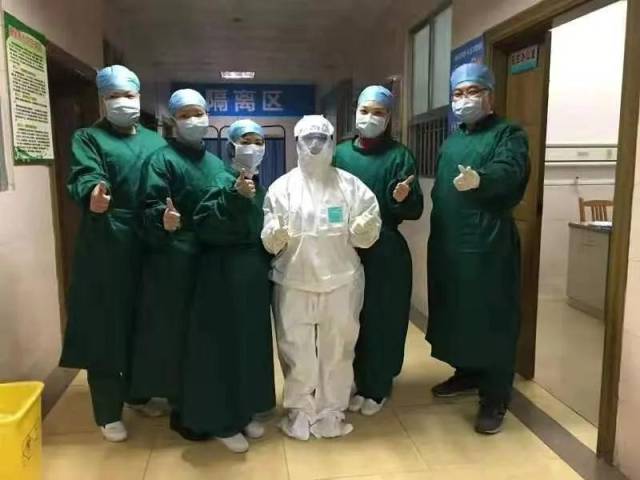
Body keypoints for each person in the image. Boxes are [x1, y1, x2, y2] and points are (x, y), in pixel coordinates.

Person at [59, 65, 168, 442]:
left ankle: (138, 394)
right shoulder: (88, 138)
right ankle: (107, 411)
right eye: (114, 96)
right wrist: (93, 193)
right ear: (103, 100)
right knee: (107, 325)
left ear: (139, 97)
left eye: (129, 95)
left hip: (149, 240)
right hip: (107, 240)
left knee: (145, 322)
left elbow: (167, 181)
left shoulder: (155, 142)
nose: (123, 102)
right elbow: (85, 174)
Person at [262, 115, 382, 440]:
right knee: (296, 351)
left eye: (321, 138)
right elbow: (270, 238)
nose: (314, 145)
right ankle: (300, 410)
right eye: (308, 139)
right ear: (297, 142)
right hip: (293, 280)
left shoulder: (350, 186)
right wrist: (274, 235)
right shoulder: (282, 188)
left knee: (338, 349)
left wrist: (365, 229)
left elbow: (368, 230)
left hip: (342, 280)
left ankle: (331, 410)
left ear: (332, 142)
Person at [427, 63, 530, 434]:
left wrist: (482, 180)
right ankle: (467, 372)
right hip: (450, 245)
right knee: (458, 313)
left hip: (488, 245)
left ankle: (495, 396)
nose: (464, 99)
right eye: (458, 93)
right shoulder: (452, 141)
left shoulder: (508, 134)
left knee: (492, 317)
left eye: (473, 91)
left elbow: (511, 170)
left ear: (490, 95)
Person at [130, 89, 224, 441]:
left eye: (198, 113)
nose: (194, 120)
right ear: (172, 121)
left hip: (211, 258)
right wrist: (162, 220)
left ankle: (206, 395)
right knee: (176, 332)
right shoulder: (161, 161)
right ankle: (180, 402)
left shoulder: (216, 164)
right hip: (174, 259)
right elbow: (149, 207)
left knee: (207, 333)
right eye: (185, 115)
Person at [179, 119, 275, 453]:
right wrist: (234, 197)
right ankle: (221, 422)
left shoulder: (261, 188)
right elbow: (206, 226)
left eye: (259, 141)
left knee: (248, 346)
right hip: (221, 275)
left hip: (252, 277)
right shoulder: (219, 181)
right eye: (246, 140)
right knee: (222, 348)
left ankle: (244, 412)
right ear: (231, 146)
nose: (253, 147)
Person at [334, 86, 424, 416]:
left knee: (381, 319)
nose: (370, 117)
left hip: (384, 250)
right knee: (347, 319)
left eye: (379, 112)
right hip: (344, 248)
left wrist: (401, 199)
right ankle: (354, 381)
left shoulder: (400, 156)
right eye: (365, 110)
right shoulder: (339, 154)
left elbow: (415, 209)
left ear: (389, 118)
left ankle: (377, 386)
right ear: (355, 112)